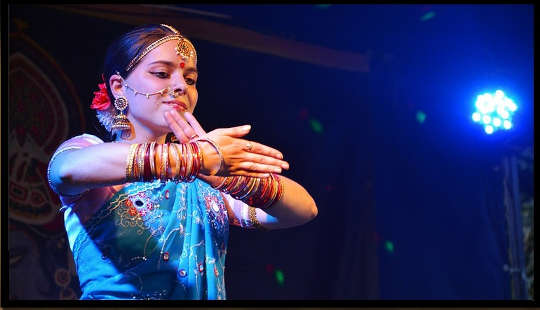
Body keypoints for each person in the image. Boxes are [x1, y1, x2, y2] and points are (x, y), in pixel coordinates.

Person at [47, 23, 317, 300]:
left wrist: (227, 179)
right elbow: (64, 171)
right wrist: (194, 158)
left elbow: (302, 210)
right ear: (118, 87)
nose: (179, 87)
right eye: (162, 74)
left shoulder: (206, 184)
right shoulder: (91, 152)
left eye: (190, 80)